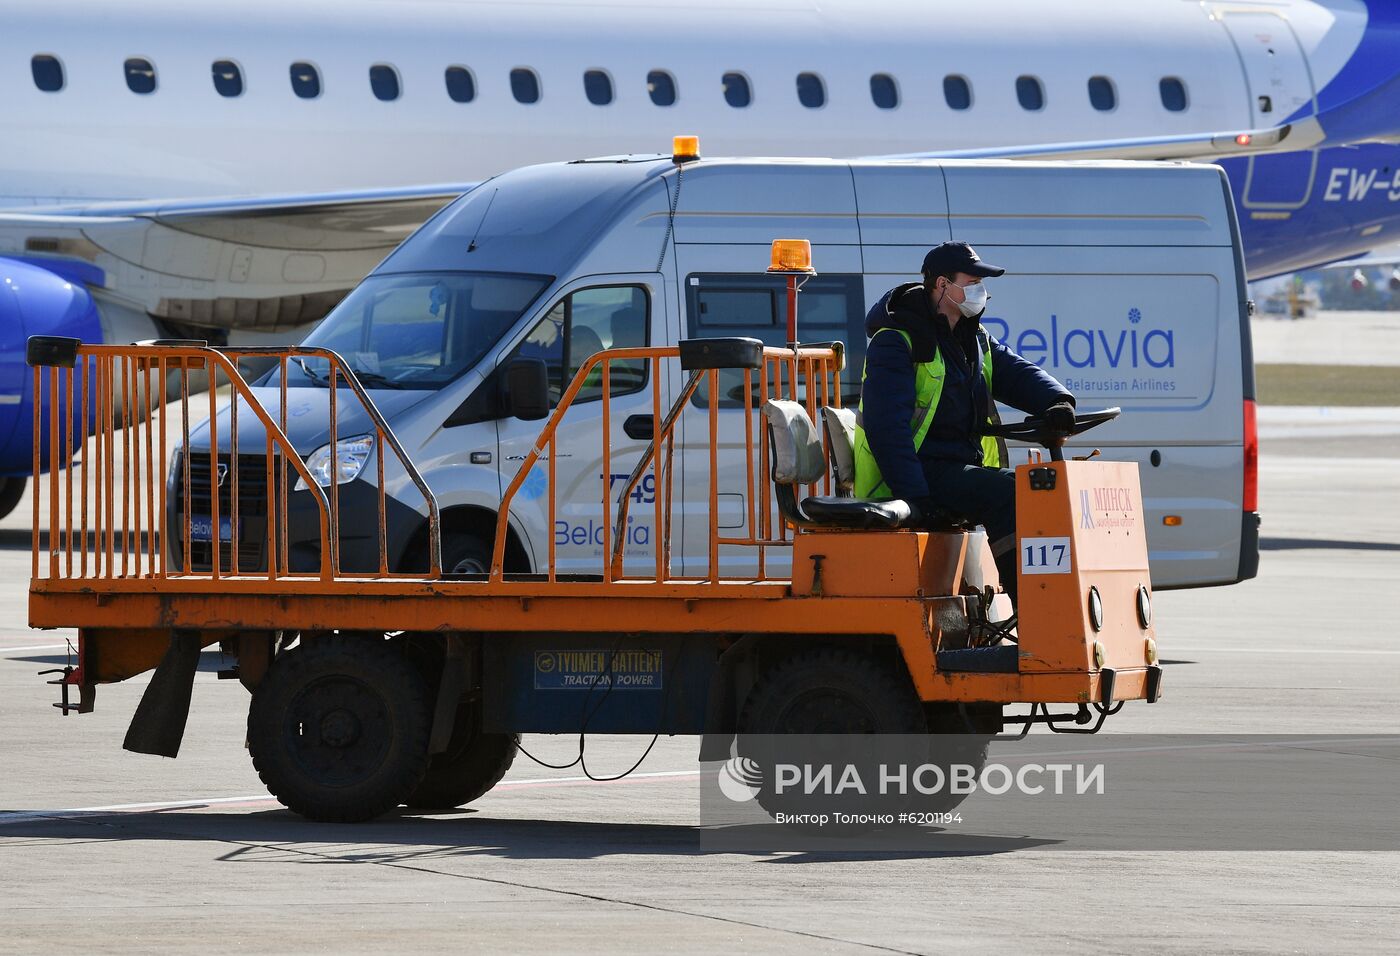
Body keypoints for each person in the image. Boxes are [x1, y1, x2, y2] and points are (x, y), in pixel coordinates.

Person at [853, 241, 1076, 603]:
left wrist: (1057, 401)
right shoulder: (896, 342)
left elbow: (1016, 372)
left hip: (954, 466)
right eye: (972, 282)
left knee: (1035, 489)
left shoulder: (972, 337)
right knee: (1009, 493)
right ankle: (1036, 611)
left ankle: (1049, 607)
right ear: (942, 285)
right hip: (917, 473)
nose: (980, 291)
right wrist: (916, 497)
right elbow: (886, 430)